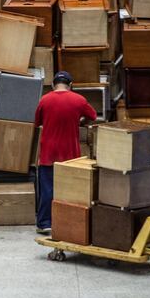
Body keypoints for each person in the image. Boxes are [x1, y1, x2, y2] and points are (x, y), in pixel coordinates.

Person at [33, 71, 97, 234]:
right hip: (70, 154)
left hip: (48, 153)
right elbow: (93, 116)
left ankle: (45, 223)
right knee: (70, 190)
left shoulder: (44, 100)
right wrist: (78, 118)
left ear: (54, 84)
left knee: (47, 189)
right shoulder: (79, 100)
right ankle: (68, 222)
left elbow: (37, 123)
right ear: (70, 85)